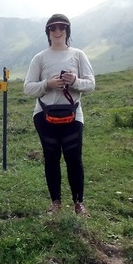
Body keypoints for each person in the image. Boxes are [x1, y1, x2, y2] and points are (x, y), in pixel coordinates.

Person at [24, 14, 96, 217]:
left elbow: (91, 84)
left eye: (62, 27)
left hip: (73, 115)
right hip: (44, 116)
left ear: (67, 31)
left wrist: (74, 81)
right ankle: (55, 202)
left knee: (74, 158)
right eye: (53, 28)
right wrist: (48, 84)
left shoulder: (78, 55)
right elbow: (28, 88)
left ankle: (78, 203)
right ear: (48, 32)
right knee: (51, 158)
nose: (57, 31)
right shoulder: (39, 58)